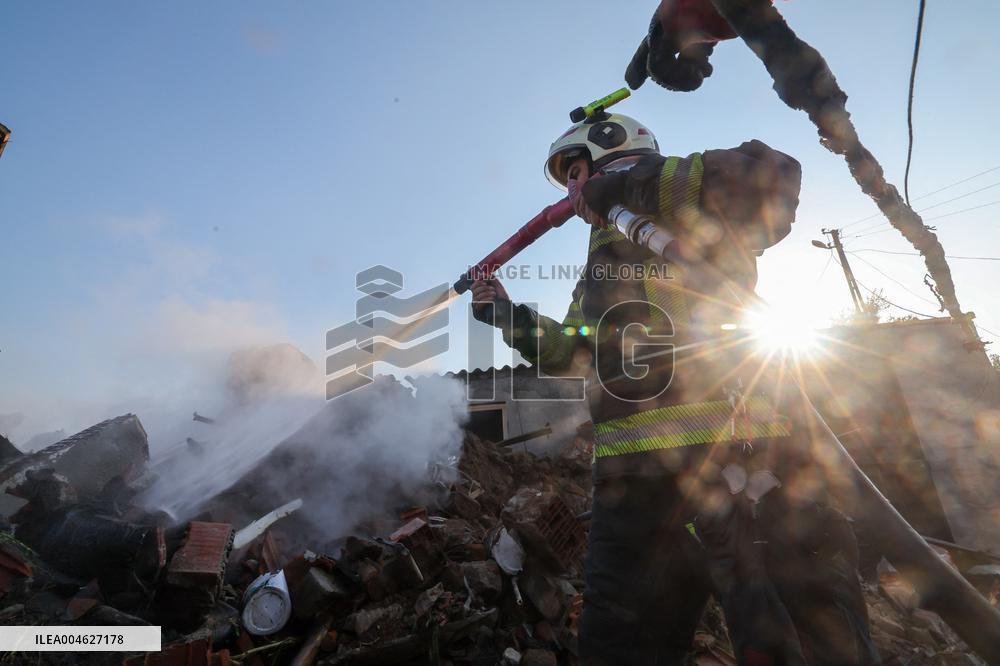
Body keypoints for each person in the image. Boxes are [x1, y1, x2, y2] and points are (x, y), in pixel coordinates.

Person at [470, 112, 878, 665]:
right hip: (634, 494)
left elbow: (774, 176)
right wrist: (505, 314)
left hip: (750, 475)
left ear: (606, 157)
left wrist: (642, 183)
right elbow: (575, 352)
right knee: (617, 652)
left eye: (576, 172)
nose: (572, 189)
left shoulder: (688, 198)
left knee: (805, 648)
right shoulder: (599, 265)